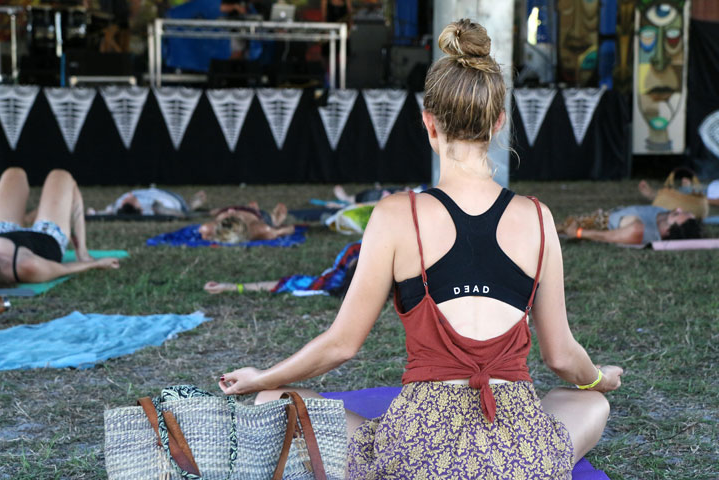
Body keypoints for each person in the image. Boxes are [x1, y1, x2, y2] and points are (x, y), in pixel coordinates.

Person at [217, 20, 623, 479]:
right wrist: (599, 380)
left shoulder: (395, 215)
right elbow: (562, 357)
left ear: (428, 122)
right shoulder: (538, 218)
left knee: (276, 402)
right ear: (498, 122)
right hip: (518, 451)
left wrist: (262, 379)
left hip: (416, 456)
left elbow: (341, 345)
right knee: (590, 404)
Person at [0, 168, 120, 285]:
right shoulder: (29, 267)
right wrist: (96, 263)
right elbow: (64, 269)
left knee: (14, 173)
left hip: (3, 230)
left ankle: (30, 216)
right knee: (61, 176)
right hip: (46, 236)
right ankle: (83, 253)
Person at [204, 240, 360, 297]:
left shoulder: (337, 277)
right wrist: (232, 287)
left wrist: (232, 287)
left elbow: (286, 284)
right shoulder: (347, 260)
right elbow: (286, 283)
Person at [559, 205, 702, 244]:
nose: (678, 209)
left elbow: (609, 237)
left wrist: (579, 233)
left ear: (668, 231)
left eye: (676, 215)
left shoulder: (642, 230)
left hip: (595, 223)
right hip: (603, 215)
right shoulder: (663, 214)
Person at [198, 202, 295, 243]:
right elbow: (289, 229)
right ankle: (274, 219)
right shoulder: (260, 230)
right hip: (253, 215)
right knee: (268, 225)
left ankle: (274, 219)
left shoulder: (207, 229)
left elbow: (290, 229)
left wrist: (279, 229)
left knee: (267, 226)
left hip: (244, 214)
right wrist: (279, 229)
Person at [87, 187, 206, 217]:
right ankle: (190, 205)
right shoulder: (145, 204)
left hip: (168, 196)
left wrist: (94, 213)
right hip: (173, 200)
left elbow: (106, 211)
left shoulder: (120, 203)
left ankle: (190, 205)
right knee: (185, 208)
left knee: (184, 208)